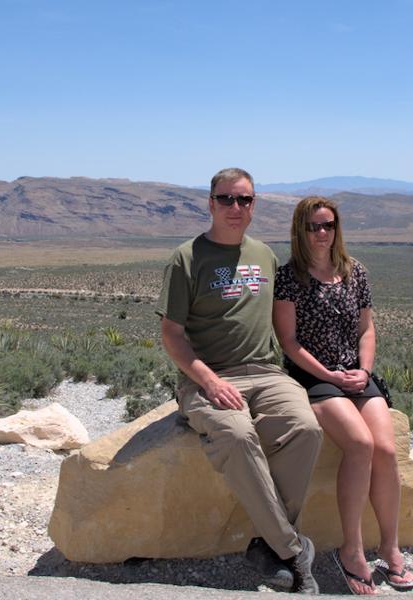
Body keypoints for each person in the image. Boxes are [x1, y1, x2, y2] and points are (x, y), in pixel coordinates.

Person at [157, 168, 323, 594]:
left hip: (266, 373)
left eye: (244, 200)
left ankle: (270, 547)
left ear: (254, 205)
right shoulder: (186, 258)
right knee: (235, 434)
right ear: (210, 203)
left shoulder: (264, 255)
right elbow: (172, 334)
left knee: (305, 429)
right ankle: (291, 550)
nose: (236, 207)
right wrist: (208, 381)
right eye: (227, 199)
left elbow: (281, 323)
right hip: (209, 377)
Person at [273, 196, 413, 595]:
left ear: (338, 228)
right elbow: (288, 341)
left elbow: (367, 330)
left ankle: (390, 547)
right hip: (314, 376)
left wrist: (364, 371)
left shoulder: (356, 273)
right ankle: (351, 550)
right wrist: (329, 374)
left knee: (385, 450)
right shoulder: (289, 278)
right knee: (359, 444)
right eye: (313, 226)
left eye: (328, 225)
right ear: (299, 231)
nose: (322, 233)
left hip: (356, 374)